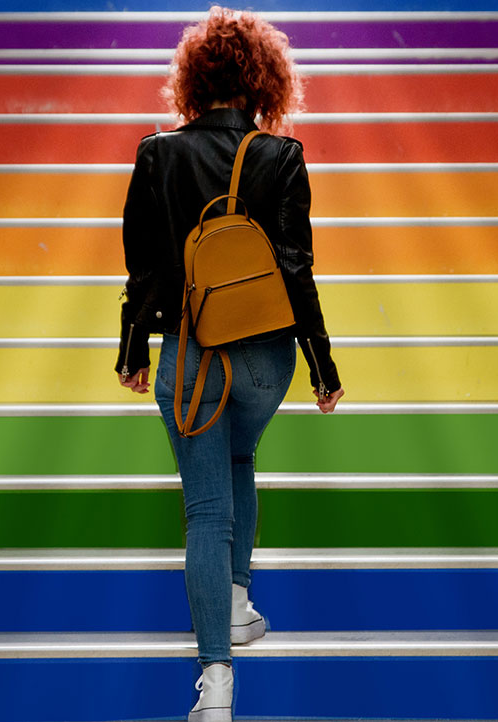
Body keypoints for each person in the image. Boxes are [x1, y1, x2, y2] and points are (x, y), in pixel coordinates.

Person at [113, 7, 344, 721]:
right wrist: (322, 363)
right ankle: (239, 601)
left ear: (194, 78)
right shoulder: (283, 156)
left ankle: (217, 681)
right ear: (261, 81)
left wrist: (133, 349)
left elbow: (144, 269)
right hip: (266, 358)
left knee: (204, 509)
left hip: (191, 356)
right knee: (240, 461)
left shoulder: (157, 154)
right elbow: (298, 270)